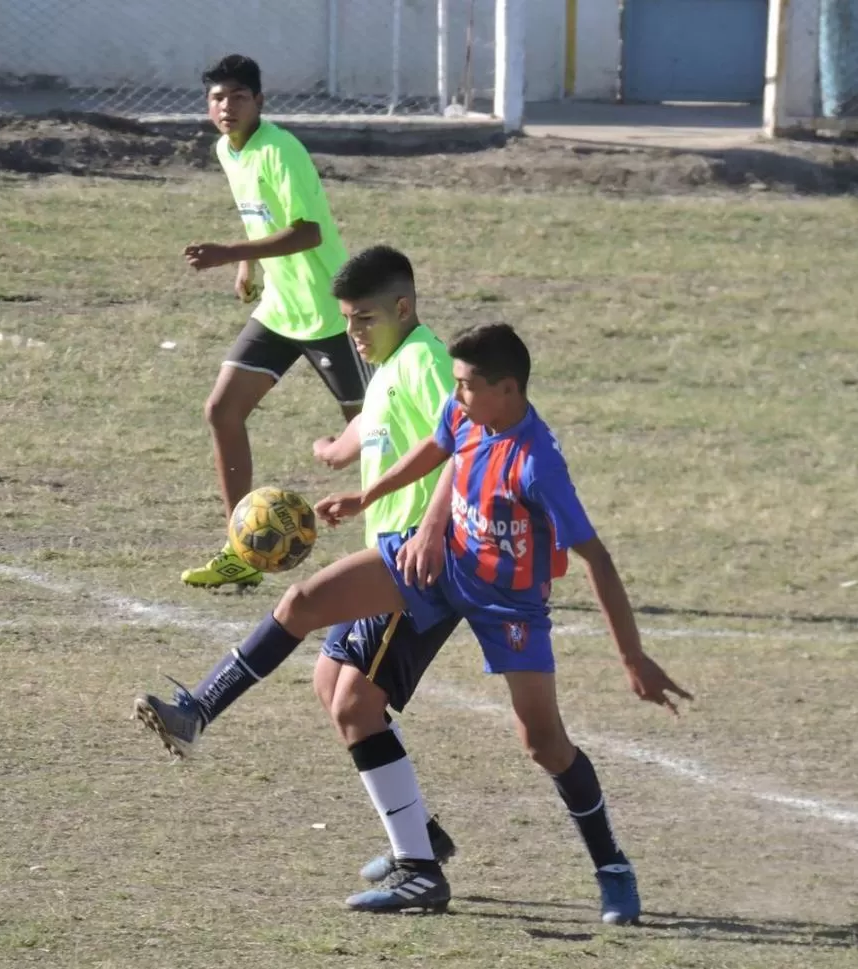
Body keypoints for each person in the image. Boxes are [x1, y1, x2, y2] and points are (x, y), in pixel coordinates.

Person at [135, 322, 691, 923]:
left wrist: (632, 657)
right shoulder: (470, 415)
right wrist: (368, 497)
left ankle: (612, 867)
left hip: (509, 604)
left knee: (543, 743)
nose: (455, 397)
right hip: (441, 564)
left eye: (466, 386)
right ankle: (198, 712)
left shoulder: (539, 465)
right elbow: (439, 446)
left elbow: (598, 560)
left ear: (507, 390)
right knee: (301, 602)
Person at [138, 245, 462, 885]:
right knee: (335, 691)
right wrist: (336, 450)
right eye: (347, 319)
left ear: (403, 307)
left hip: (422, 562)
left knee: (302, 608)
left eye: (364, 319)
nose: (353, 334)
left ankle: (197, 711)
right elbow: (375, 422)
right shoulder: (393, 361)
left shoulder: (425, 360)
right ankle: (420, 838)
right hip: (393, 548)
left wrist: (427, 525)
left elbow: (463, 443)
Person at [179, 54, 373, 590]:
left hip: (331, 314)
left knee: (380, 432)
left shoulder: (281, 151)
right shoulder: (227, 148)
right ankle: (242, 547)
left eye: (238, 96)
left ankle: (417, 541)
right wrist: (248, 264)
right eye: (218, 97)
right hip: (282, 310)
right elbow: (259, 211)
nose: (227, 106)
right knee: (222, 410)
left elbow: (308, 232)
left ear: (260, 102)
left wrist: (226, 252)